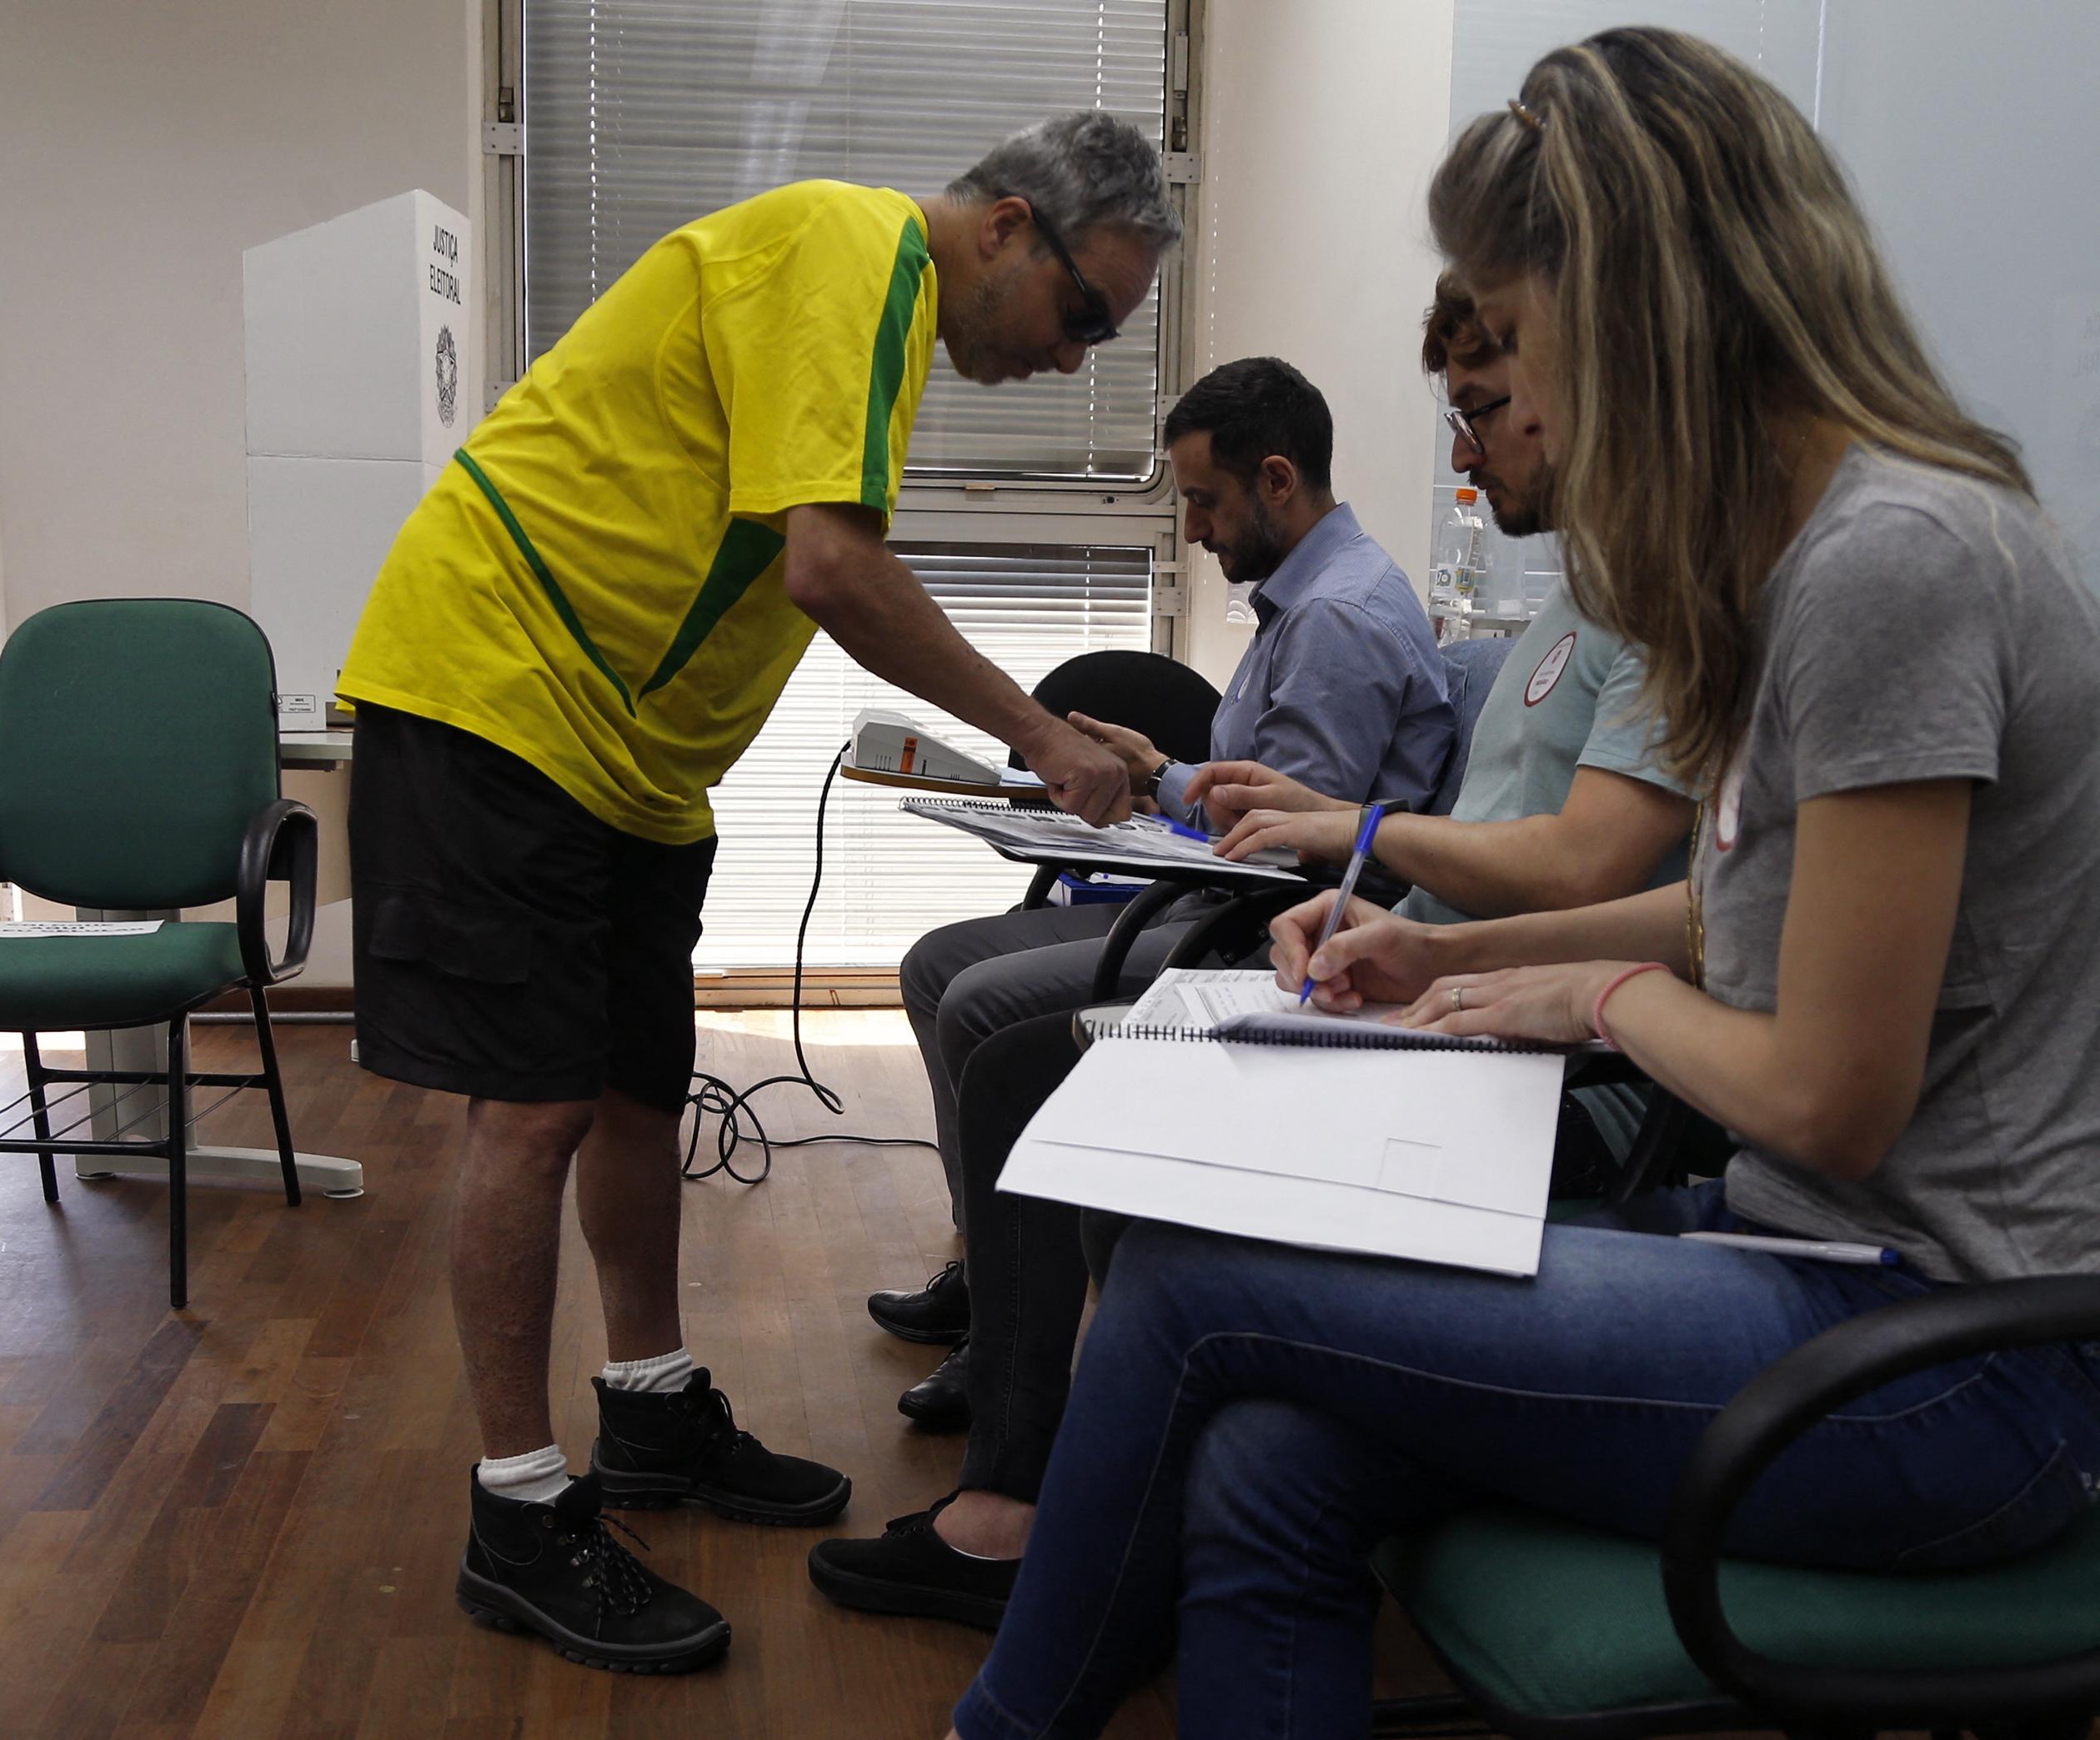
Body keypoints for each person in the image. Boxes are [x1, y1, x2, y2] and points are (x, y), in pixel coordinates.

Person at [949, 28, 2100, 1739]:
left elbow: (1832, 1098)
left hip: (1955, 1364)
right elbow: (1742, 925)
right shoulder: (1827, 552)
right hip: (1826, 1270)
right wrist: (1440, 955)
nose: (1514, 401)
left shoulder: (1891, 560)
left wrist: (1593, 993)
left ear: (1641, 301)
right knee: (1273, 1456)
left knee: (1192, 1279)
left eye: (1518, 336)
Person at [335, 112, 1177, 1674]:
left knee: (642, 1087)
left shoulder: (885, 317)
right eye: (1084, 318)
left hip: (629, 757)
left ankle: (648, 1410)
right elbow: (833, 569)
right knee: (531, 1112)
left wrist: (1059, 734)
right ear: (1006, 227)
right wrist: (1043, 734)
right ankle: (518, 1510)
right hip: (500, 692)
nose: (1079, 361)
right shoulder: (856, 255)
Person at [809, 270, 1697, 1628]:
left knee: (1029, 1060)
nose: (1458, 457)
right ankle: (1029, 1397)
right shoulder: (1573, 605)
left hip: (1475, 1016)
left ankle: (1028, 1486)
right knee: (1006, 1030)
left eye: (1481, 414)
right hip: (1418, 964)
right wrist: (1180, 783)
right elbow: (1337, 821)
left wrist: (1370, 872)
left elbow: (1396, 844)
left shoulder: (1618, 620)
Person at [869, 356, 1454, 1366]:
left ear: (1277, 479)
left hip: (1256, 935)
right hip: (1215, 897)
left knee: (975, 1001)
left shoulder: (1338, 619)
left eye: (1202, 501)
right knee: (933, 966)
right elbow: (1271, 800)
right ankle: (995, 1273)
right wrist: (1154, 780)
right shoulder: (1308, 598)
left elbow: (1280, 852)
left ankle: (1019, 1335)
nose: (1190, 527)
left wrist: (1162, 783)